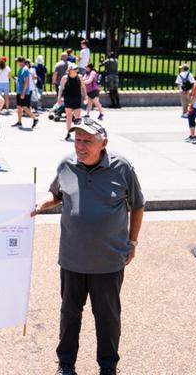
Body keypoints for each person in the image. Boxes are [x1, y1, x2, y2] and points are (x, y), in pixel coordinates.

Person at [30, 117, 144, 375]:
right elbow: (57, 194)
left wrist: (133, 241)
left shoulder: (122, 168)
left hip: (108, 260)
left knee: (107, 317)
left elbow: (138, 205)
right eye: (77, 140)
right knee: (70, 313)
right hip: (72, 258)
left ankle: (108, 366)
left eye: (87, 141)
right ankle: (66, 363)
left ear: (103, 143)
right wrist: (40, 205)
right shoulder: (66, 165)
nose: (80, 146)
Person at [58, 63, 87, 141]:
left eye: (76, 68)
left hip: (77, 98)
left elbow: (83, 87)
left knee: (77, 117)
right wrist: (59, 99)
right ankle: (68, 133)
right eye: (74, 68)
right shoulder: (65, 78)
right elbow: (61, 89)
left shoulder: (80, 77)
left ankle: (77, 134)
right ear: (69, 70)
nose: (76, 70)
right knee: (69, 116)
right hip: (68, 98)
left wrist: (85, 97)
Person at [13, 57, 39, 128]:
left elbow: (26, 82)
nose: (17, 63)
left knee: (25, 107)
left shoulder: (25, 70)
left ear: (21, 62)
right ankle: (19, 122)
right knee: (19, 107)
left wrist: (23, 93)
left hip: (23, 92)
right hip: (19, 91)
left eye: (17, 61)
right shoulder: (21, 69)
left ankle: (35, 119)